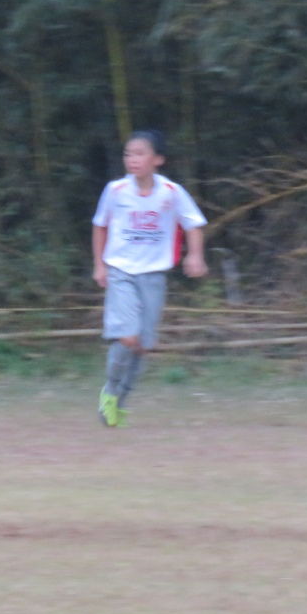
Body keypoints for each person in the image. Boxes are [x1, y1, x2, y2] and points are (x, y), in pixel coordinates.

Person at [92, 130, 207, 427]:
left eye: (140, 153)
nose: (132, 159)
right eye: (128, 154)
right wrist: (99, 265)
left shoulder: (171, 192)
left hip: (154, 275)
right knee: (127, 336)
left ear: (157, 159)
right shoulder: (115, 190)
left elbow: (193, 224)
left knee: (141, 345)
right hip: (121, 271)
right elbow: (100, 226)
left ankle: (120, 401)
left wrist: (195, 255)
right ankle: (110, 391)